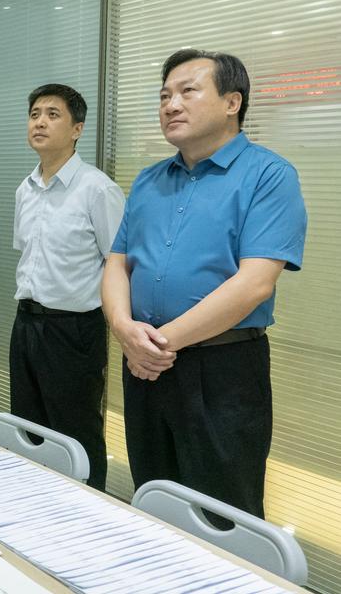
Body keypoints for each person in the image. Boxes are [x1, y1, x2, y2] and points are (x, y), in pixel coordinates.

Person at [102, 49, 307, 518]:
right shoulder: (150, 180)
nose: (170, 105)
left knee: (223, 512)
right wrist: (122, 328)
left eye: (187, 91)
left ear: (232, 102)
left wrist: (157, 344)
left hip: (223, 369)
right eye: (164, 96)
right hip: (145, 365)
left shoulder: (269, 175)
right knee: (153, 498)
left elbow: (254, 284)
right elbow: (117, 263)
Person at [8, 85, 124, 491]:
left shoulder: (98, 189)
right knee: (28, 428)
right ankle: (35, 510)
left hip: (75, 329)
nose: (39, 121)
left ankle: (91, 518)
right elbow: (29, 255)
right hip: (27, 322)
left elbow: (119, 263)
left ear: (77, 129)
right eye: (34, 113)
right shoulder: (25, 189)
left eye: (52, 115)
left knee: (77, 432)